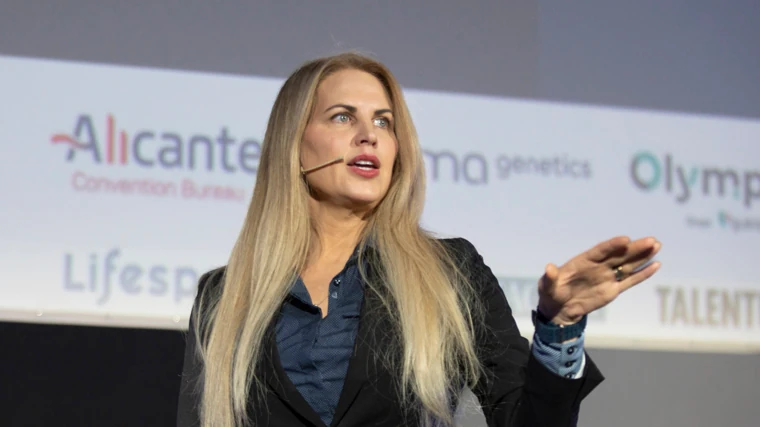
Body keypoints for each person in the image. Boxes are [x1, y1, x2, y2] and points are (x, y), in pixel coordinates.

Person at [176, 52, 661, 427]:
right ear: (294, 144)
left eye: (384, 122)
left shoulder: (448, 270)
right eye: (343, 117)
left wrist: (561, 325)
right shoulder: (225, 296)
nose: (369, 136)